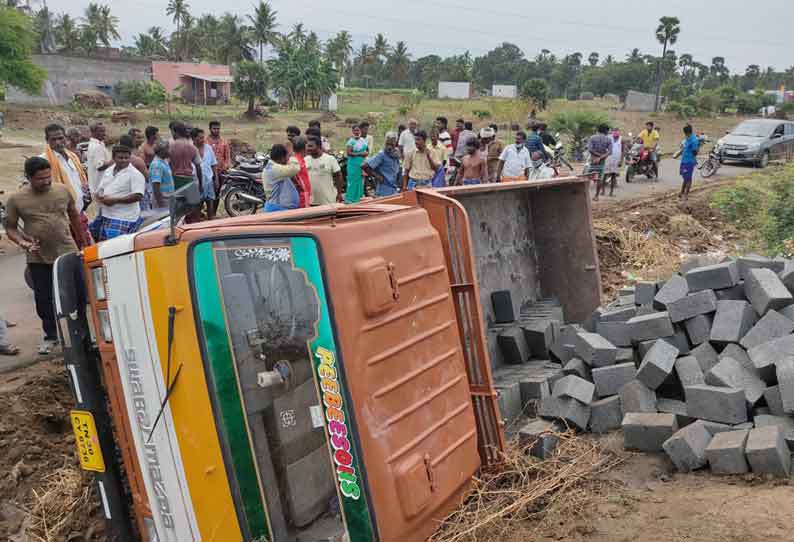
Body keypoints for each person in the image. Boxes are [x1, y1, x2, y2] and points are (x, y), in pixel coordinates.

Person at [6, 156, 86, 354]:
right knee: (44, 299)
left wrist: (83, 242)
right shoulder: (16, 199)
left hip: (68, 251)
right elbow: (10, 228)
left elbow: (74, 216)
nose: (46, 182)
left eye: (48, 177)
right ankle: (51, 336)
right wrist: (23, 242)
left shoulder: (62, 190)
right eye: (41, 179)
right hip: (38, 257)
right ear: (29, 177)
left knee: (78, 294)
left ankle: (83, 333)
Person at [42, 123, 93, 246]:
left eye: (61, 138)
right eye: (53, 139)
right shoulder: (44, 160)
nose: (58, 142)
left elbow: (80, 182)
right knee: (72, 252)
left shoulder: (73, 156)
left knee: (86, 249)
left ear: (66, 137)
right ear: (47, 141)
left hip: (79, 212)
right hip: (62, 217)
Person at [90, 145, 146, 241]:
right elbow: (101, 188)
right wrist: (99, 196)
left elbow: (138, 196)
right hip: (105, 213)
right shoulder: (109, 170)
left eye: (126, 158)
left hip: (123, 217)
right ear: (114, 158)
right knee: (99, 241)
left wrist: (115, 200)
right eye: (120, 158)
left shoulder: (135, 174)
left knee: (114, 246)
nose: (124, 160)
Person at [306, 136, 343, 205]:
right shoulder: (305, 160)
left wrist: (339, 193)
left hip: (328, 201)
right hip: (311, 202)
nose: (308, 148)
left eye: (310, 146)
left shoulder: (330, 159)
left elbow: (338, 176)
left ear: (319, 146)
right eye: (307, 146)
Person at [263, 144, 301, 212]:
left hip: (279, 208)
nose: (287, 159)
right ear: (282, 158)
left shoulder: (273, 166)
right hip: (278, 209)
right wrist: (291, 156)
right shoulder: (275, 169)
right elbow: (295, 168)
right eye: (287, 157)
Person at [362, 132, 401, 197]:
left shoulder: (396, 155)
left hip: (393, 189)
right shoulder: (382, 155)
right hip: (383, 190)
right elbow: (364, 166)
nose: (389, 147)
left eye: (392, 144)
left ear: (395, 143)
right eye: (387, 144)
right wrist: (377, 176)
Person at [191, 127, 219, 219]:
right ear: (193, 138)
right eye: (200, 138)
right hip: (195, 183)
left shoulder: (208, 148)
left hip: (209, 181)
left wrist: (216, 179)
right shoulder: (190, 150)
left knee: (210, 203)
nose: (203, 140)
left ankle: (210, 222)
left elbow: (213, 164)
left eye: (203, 137)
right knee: (197, 207)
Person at [168, 121, 203, 192]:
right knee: (188, 202)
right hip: (189, 180)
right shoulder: (193, 147)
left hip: (174, 180)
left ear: (176, 132)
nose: (172, 134)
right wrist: (200, 184)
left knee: (176, 201)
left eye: (172, 132)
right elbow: (198, 167)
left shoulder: (170, 147)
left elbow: (166, 164)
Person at [345, 124, 369, 203]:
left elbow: (367, 151)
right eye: (355, 130)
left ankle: (359, 198)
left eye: (358, 130)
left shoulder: (363, 140)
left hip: (361, 164)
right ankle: (350, 199)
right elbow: (348, 153)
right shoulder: (351, 141)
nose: (356, 132)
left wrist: (365, 154)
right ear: (352, 131)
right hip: (353, 165)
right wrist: (360, 154)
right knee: (352, 182)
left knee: (360, 181)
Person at [589, 124, 613, 201]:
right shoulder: (608, 139)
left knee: (587, 177)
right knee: (600, 178)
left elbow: (590, 149)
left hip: (592, 160)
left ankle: (585, 194)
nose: (609, 132)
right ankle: (596, 196)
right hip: (601, 162)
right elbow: (610, 152)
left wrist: (596, 156)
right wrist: (600, 157)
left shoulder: (592, 137)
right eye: (608, 130)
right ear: (606, 130)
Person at [86, 121, 113, 193]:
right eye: (101, 131)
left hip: (99, 187)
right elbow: (100, 166)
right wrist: (113, 161)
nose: (104, 134)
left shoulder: (99, 144)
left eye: (104, 131)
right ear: (93, 132)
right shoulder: (97, 147)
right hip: (99, 188)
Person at [147, 141, 174, 212]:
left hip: (168, 198)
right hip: (162, 200)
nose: (170, 151)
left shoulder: (163, 162)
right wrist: (161, 206)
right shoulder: (157, 165)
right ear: (162, 151)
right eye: (168, 148)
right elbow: (156, 186)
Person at [679, 124, 701, 201]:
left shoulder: (694, 140)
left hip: (689, 161)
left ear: (688, 133)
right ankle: (681, 192)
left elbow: (695, 152)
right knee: (685, 177)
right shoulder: (687, 139)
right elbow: (683, 147)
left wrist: (692, 150)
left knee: (688, 178)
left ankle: (686, 194)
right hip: (684, 160)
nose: (685, 135)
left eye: (685, 134)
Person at [292, 136, 312, 208]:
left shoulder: (299, 160)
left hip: (304, 195)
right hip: (302, 197)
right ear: (304, 147)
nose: (309, 148)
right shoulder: (297, 162)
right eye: (308, 146)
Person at [603, 129, 623, 197]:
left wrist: (621, 160)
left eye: (617, 132)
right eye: (614, 132)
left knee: (613, 175)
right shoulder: (608, 138)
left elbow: (623, 151)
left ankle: (611, 192)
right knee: (604, 174)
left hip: (616, 160)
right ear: (612, 133)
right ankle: (603, 191)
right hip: (608, 158)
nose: (616, 134)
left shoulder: (621, 139)